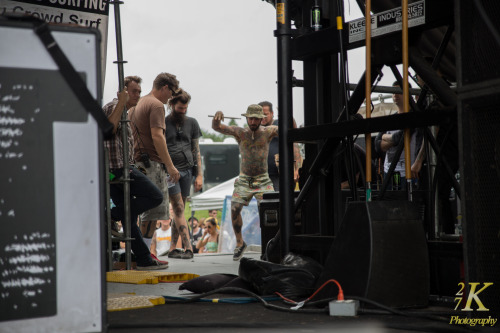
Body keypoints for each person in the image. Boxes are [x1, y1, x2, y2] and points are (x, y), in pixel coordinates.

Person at [102, 75, 168, 270]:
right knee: (155, 196)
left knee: (129, 217)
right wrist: (121, 102)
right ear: (122, 92)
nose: (138, 95)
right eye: (134, 91)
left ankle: (144, 258)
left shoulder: (127, 111)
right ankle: (113, 214)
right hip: (115, 171)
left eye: (139, 91)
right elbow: (108, 130)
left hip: (119, 170)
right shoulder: (114, 106)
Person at [128, 73, 192, 258]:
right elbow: (157, 136)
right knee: (153, 211)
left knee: (145, 213)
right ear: (164, 87)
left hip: (137, 163)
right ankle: (145, 254)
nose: (170, 98)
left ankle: (141, 252)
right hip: (151, 164)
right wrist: (170, 166)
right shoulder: (156, 105)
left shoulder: (137, 104)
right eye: (171, 93)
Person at [212, 104, 278, 260]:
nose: (253, 122)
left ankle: (272, 244)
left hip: (262, 179)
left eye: (256, 119)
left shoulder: (269, 132)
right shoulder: (240, 132)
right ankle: (240, 243)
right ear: (247, 118)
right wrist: (216, 118)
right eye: (251, 118)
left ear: (262, 119)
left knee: (270, 211)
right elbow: (218, 128)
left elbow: (290, 130)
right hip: (244, 179)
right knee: (235, 209)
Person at [162, 89, 202, 259]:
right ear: (172, 105)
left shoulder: (192, 123)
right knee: (178, 208)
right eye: (180, 108)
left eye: (185, 108)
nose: (183, 111)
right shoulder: (163, 122)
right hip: (171, 172)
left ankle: (172, 247)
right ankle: (188, 248)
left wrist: (199, 175)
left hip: (188, 170)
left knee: (181, 209)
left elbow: (196, 150)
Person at [374, 81, 420, 190]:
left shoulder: (414, 117)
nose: (395, 95)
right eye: (393, 92)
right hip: (389, 172)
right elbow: (377, 145)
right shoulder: (390, 120)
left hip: (409, 173)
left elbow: (401, 137)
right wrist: (393, 140)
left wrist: (385, 138)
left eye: (398, 92)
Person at [258, 101, 302, 191]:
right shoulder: (256, 129)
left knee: (279, 201)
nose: (263, 117)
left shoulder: (280, 124)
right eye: (260, 114)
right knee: (264, 203)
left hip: (280, 175)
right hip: (262, 176)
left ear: (272, 113)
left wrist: (297, 168)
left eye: (265, 114)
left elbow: (294, 141)